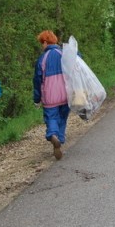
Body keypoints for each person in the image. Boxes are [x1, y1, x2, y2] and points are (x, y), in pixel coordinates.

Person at [33, 30, 70, 160]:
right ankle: (60, 138)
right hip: (66, 93)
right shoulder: (63, 53)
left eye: (41, 43)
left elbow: (37, 80)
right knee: (62, 117)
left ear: (45, 42)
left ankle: (53, 135)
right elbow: (77, 59)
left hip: (49, 96)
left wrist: (37, 99)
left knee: (51, 118)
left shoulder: (42, 59)